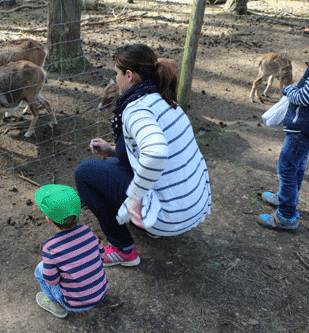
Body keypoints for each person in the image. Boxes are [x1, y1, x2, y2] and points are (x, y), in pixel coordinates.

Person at [74, 44, 212, 267]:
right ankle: (152, 227)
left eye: (116, 74)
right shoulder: (166, 100)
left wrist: (135, 199)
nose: (116, 78)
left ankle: (122, 249)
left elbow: (156, 154)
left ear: (129, 75)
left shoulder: (136, 109)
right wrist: (112, 150)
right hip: (191, 207)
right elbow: (147, 153)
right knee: (115, 167)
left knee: (85, 172)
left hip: (169, 215)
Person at [34, 184, 109, 318]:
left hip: (73, 304)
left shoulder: (50, 248)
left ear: (49, 219)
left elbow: (52, 280)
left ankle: (56, 305)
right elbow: (102, 256)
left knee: (39, 269)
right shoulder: (87, 231)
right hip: (101, 292)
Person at [258, 62, 309, 230]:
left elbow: (304, 97)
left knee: (286, 169)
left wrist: (288, 89)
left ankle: (285, 216)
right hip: (303, 129)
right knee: (297, 166)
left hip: (301, 130)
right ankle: (286, 198)